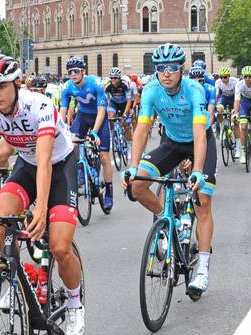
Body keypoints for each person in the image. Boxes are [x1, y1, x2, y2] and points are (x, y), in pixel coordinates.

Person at [0, 55, 85, 335]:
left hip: (59, 164)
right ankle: (20, 273)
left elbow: (45, 157)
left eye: (0, 86)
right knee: (0, 222)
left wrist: (41, 206)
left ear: (16, 83)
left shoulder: (39, 105)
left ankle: (75, 302)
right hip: (26, 166)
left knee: (60, 247)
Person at [121, 43, 216, 293]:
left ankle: (203, 270)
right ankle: (168, 219)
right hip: (172, 142)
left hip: (199, 142)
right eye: (160, 68)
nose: (166, 73)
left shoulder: (194, 90)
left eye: (172, 68)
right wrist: (132, 166)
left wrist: (196, 170)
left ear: (181, 70)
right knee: (138, 185)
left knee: (202, 202)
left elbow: (199, 134)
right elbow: (142, 129)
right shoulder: (151, 91)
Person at [59, 56, 113, 210]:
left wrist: (95, 132)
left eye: (76, 71)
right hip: (82, 117)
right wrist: (61, 129)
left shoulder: (95, 83)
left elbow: (102, 109)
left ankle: (108, 190)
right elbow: (63, 111)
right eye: (70, 72)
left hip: (98, 118)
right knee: (72, 143)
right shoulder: (67, 87)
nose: (73, 74)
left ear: (83, 71)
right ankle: (81, 170)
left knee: (103, 156)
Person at [104, 67, 132, 137]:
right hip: (114, 103)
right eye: (111, 77)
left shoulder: (124, 85)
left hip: (124, 104)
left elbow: (129, 101)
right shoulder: (108, 85)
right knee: (110, 117)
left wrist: (125, 114)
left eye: (115, 77)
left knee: (125, 124)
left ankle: (128, 142)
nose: (113, 79)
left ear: (119, 78)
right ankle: (112, 135)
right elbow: (105, 100)